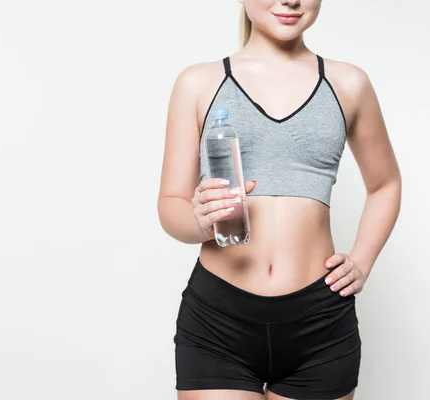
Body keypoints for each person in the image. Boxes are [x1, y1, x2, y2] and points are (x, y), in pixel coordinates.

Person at [158, 0, 401, 399]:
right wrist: (199, 221)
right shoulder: (198, 82)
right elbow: (171, 203)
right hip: (219, 319)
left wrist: (362, 260)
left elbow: (385, 183)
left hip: (320, 321)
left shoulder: (349, 83)